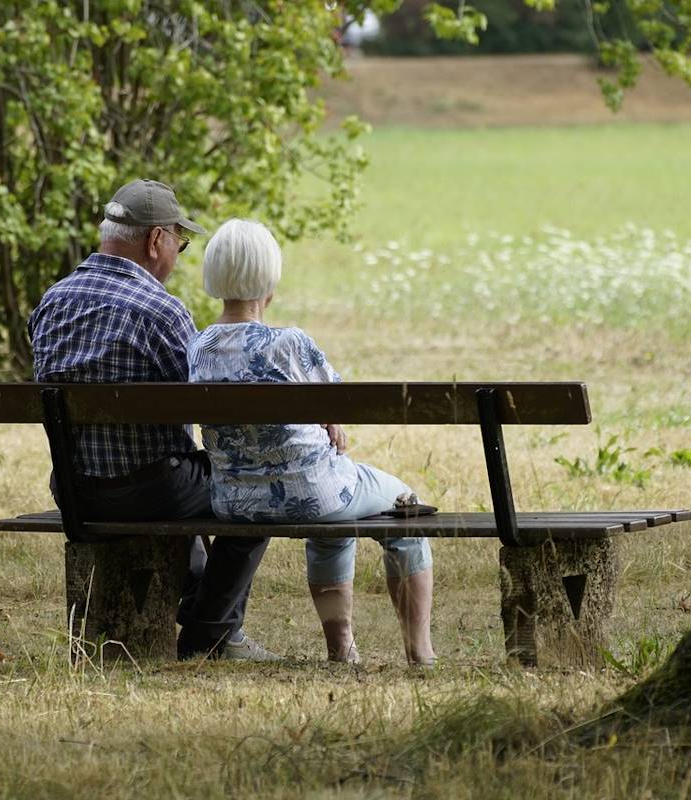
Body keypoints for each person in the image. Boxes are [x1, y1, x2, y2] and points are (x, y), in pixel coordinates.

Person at [27, 180, 278, 662]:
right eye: (179, 245)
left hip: (75, 490)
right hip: (152, 491)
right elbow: (207, 407)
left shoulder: (51, 302)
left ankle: (207, 613)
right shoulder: (162, 312)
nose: (177, 256)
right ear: (156, 240)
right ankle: (210, 632)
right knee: (256, 487)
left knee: (180, 472)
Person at [186, 218, 436, 666]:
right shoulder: (289, 344)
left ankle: (342, 649)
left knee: (334, 515)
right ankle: (420, 652)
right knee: (405, 505)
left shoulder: (198, 347)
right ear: (270, 279)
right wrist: (329, 419)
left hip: (234, 502)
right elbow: (340, 403)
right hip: (314, 494)